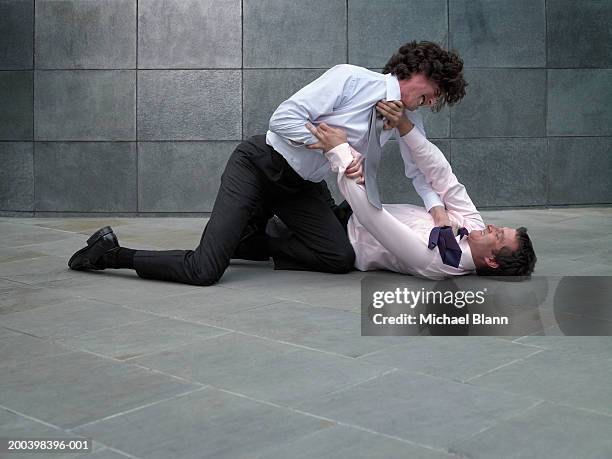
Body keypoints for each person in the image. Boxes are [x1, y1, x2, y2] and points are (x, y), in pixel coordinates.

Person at [68, 41, 468, 285]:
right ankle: (110, 254)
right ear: (418, 72)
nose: (433, 103)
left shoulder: (405, 120)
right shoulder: (352, 79)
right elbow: (282, 119)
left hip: (303, 188)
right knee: (204, 271)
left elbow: (420, 169)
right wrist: (330, 144)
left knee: (339, 259)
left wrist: (437, 211)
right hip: (261, 166)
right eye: (435, 92)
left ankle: (249, 237)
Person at [304, 115, 537, 279]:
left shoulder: (436, 262)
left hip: (341, 238)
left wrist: (339, 152)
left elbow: (372, 218)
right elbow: (444, 177)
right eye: (500, 228)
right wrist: (406, 127)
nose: (493, 227)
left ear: (492, 261)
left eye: (498, 236)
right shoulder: (474, 226)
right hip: (347, 211)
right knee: (293, 176)